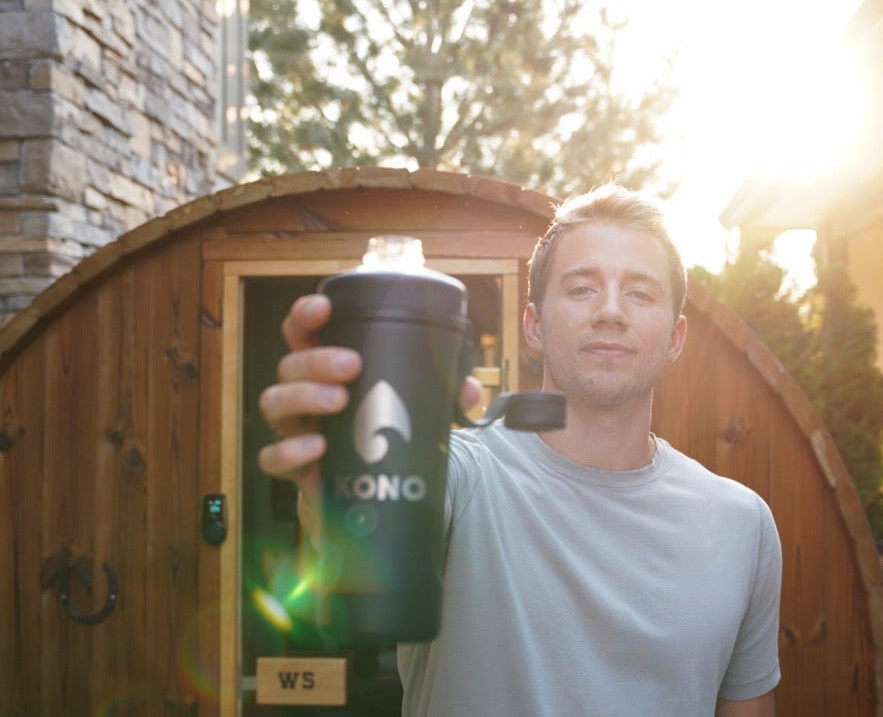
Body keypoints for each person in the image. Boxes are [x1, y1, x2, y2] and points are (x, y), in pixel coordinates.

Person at [258, 184, 782, 716]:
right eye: (581, 289)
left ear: (675, 337)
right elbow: (368, 521)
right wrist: (336, 470)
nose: (610, 311)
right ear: (534, 324)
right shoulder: (457, 476)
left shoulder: (743, 525)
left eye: (640, 293)